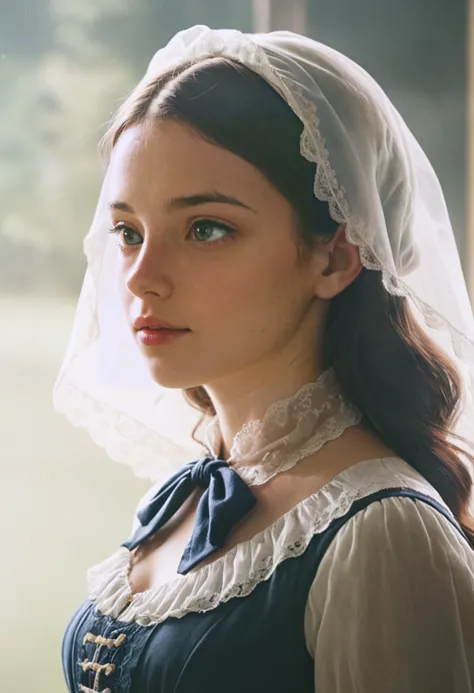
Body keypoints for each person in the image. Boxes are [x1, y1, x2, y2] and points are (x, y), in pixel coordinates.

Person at [55, 25, 474, 693]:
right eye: (129, 232)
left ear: (335, 256)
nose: (139, 276)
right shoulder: (190, 498)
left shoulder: (384, 534)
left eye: (206, 228)